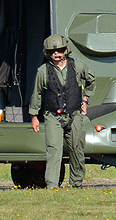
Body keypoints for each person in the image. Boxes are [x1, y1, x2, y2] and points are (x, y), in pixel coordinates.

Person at [28, 34, 95, 188]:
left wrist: (85, 99)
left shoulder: (77, 66)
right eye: (52, 52)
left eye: (59, 50)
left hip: (75, 114)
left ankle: (76, 184)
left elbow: (92, 80)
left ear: (65, 50)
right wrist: (34, 116)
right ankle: (52, 185)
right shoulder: (42, 71)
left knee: (77, 149)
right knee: (54, 150)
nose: (56, 54)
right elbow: (37, 94)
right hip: (52, 116)